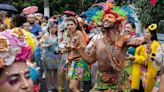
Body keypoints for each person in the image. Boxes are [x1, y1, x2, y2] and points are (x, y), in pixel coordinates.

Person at [75, 11, 144, 91]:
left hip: (119, 82)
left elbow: (138, 40)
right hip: (101, 82)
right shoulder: (98, 41)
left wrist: (140, 39)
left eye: (110, 17)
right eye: (104, 18)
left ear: (116, 22)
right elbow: (90, 60)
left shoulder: (123, 39)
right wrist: (79, 48)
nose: (106, 19)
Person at [64, 17, 91, 92]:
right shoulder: (70, 34)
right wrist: (66, 49)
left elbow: (84, 46)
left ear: (76, 25)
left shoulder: (78, 33)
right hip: (72, 62)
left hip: (80, 62)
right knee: (77, 87)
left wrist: (73, 47)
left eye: (71, 24)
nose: (69, 26)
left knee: (72, 87)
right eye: (68, 25)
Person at [41, 19, 60, 91]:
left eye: (55, 28)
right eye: (52, 27)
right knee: (48, 72)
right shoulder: (46, 35)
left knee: (55, 71)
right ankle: (49, 87)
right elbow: (41, 45)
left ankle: (55, 85)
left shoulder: (57, 35)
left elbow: (59, 45)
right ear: (49, 28)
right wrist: (47, 45)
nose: (54, 29)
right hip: (47, 55)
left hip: (56, 54)